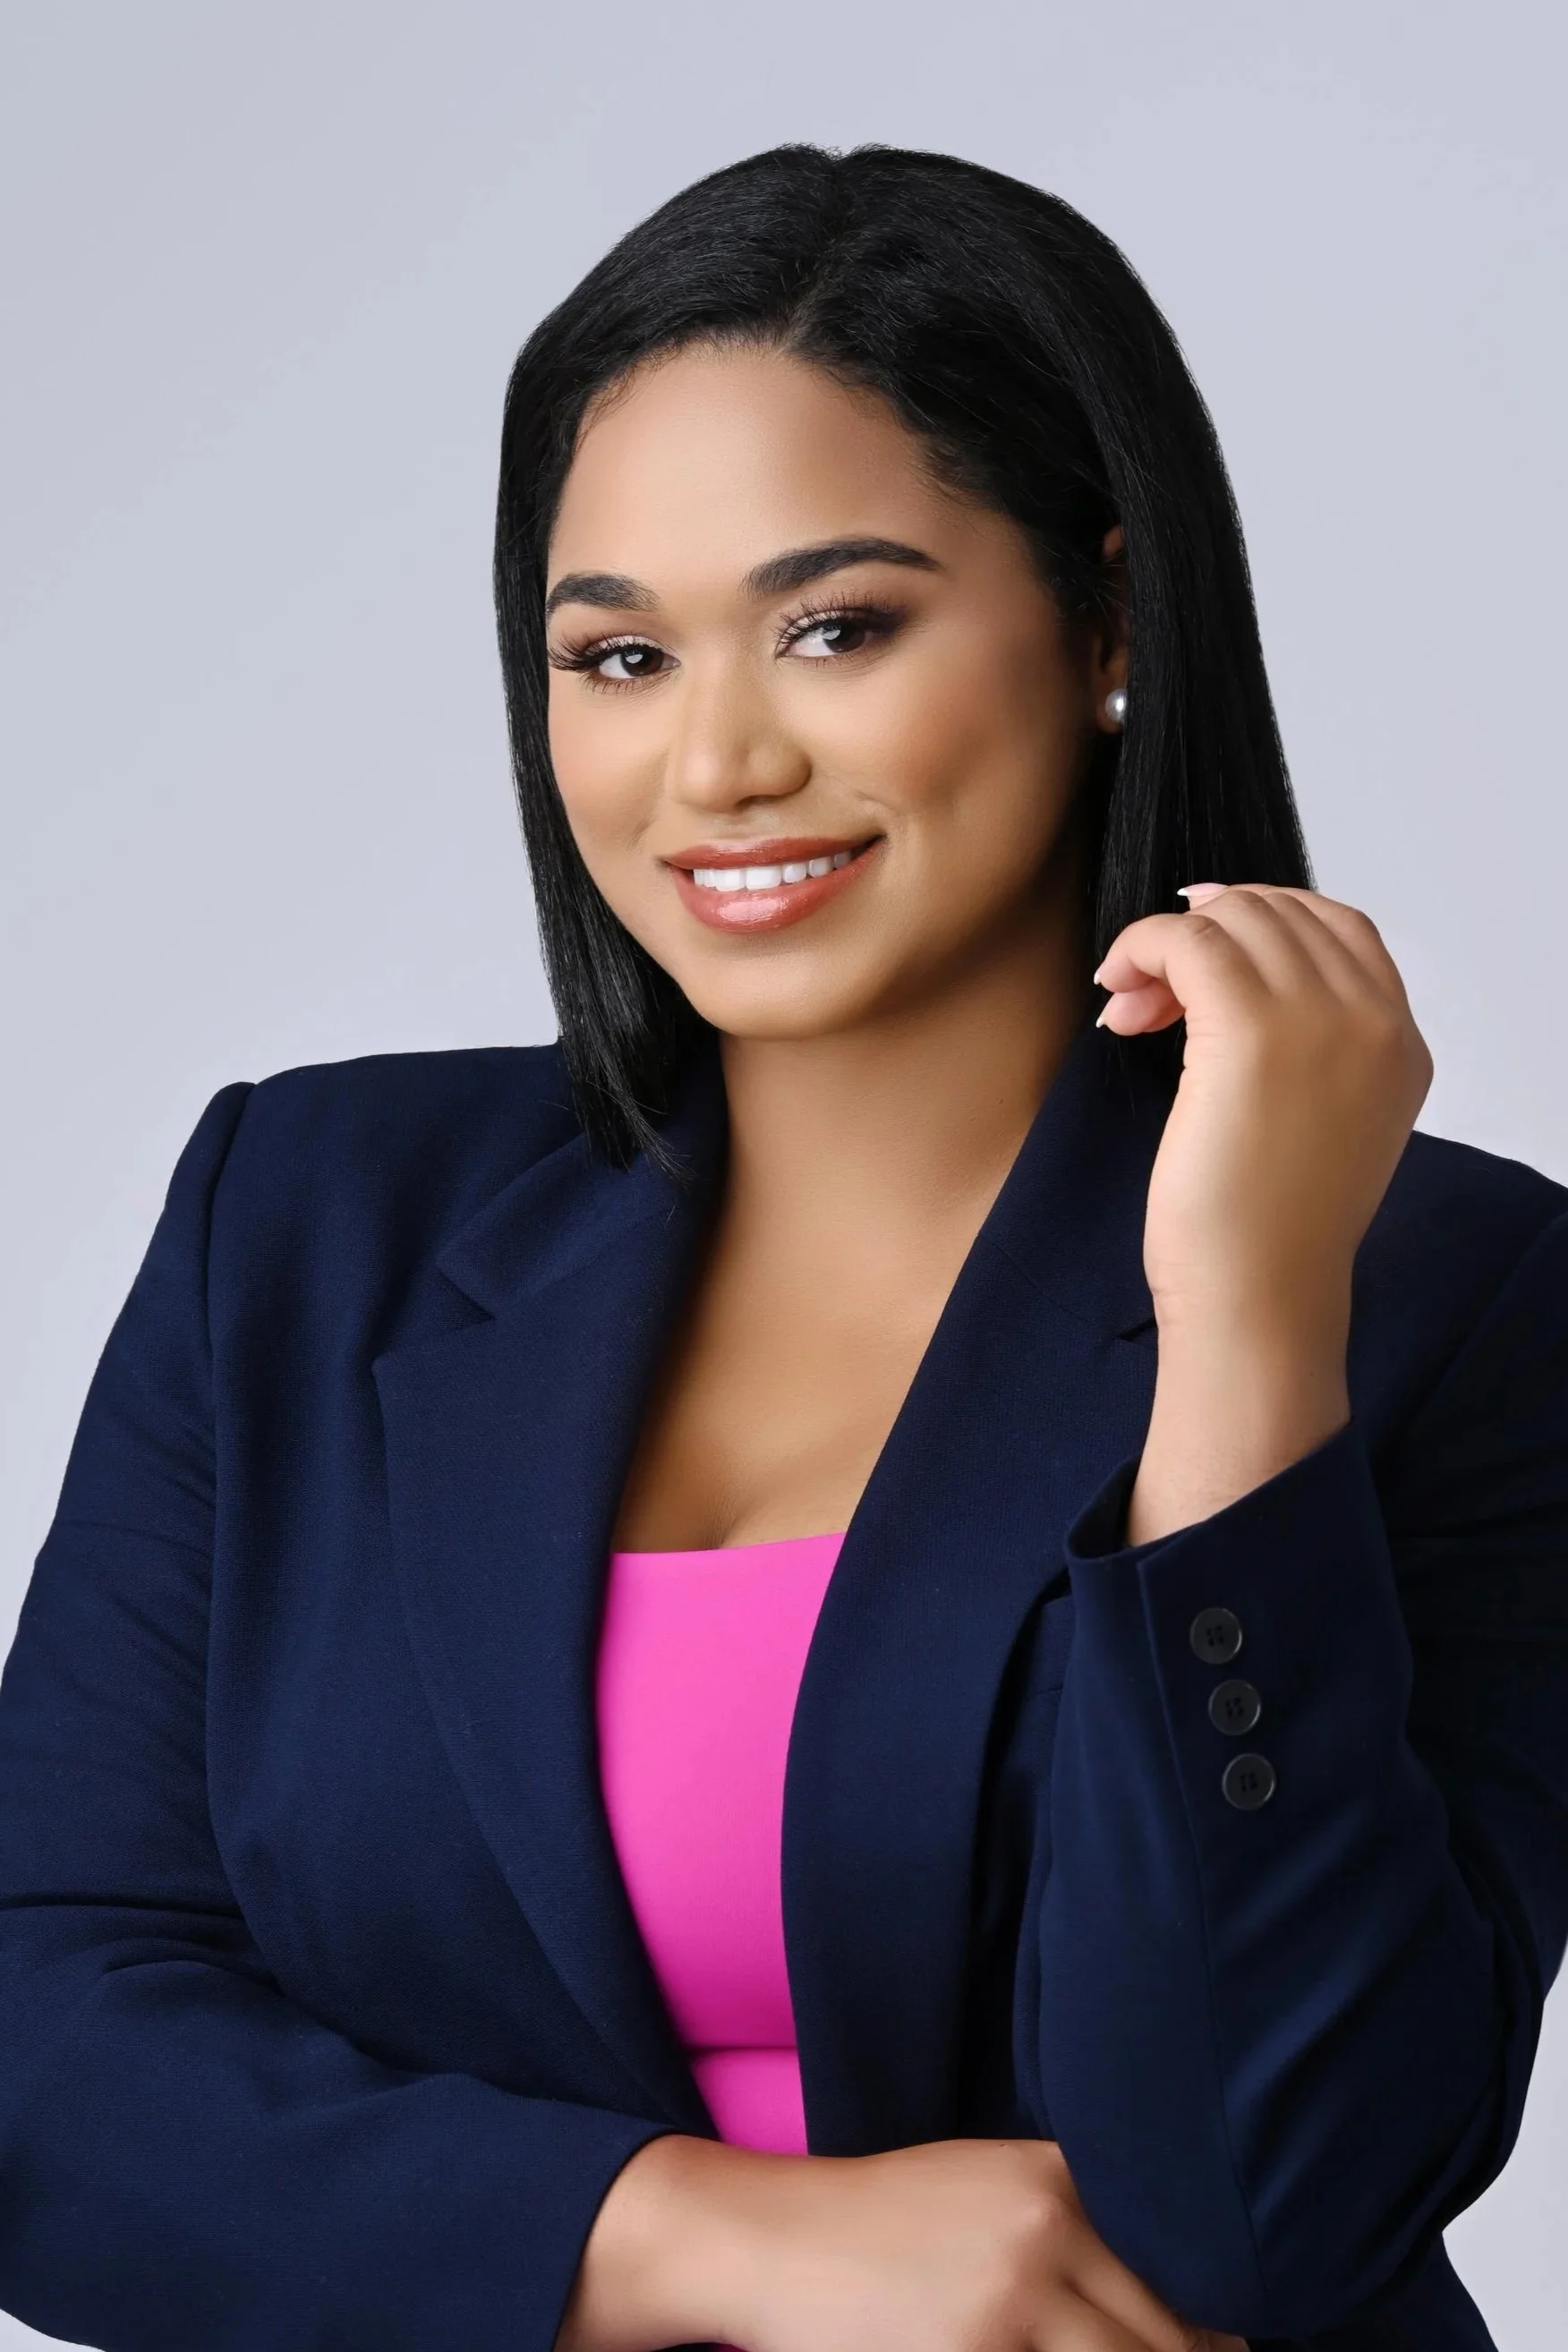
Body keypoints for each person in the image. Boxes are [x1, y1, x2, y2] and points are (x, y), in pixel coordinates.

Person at [0, 141, 1564, 2352]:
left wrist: (1244, 1342)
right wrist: (695, 2235)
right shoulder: (304, 1226)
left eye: (837, 626)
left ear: (1109, 622)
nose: (715, 759)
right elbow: (44, 2060)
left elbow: (1274, 2197)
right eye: (618, 655)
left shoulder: (1451, 1302)